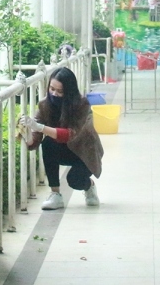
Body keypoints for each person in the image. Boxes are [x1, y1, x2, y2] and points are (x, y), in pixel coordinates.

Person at [20, 66, 104, 209]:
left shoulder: (82, 105)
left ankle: (89, 186)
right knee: (47, 144)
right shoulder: (44, 105)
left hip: (84, 152)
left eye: (60, 91)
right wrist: (27, 134)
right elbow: (35, 139)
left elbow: (71, 134)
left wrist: (39, 127)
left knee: (74, 181)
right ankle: (55, 194)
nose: (54, 94)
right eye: (52, 89)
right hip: (62, 149)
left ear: (69, 92)